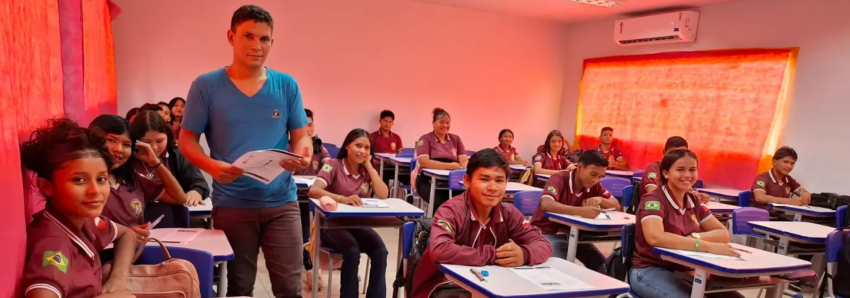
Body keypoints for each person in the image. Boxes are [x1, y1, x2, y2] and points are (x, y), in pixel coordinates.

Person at [179, 5, 313, 297]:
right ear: (231, 36)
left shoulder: (286, 85)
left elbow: (301, 135)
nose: (256, 45)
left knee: (290, 288)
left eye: (264, 39)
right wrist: (212, 167)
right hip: (233, 204)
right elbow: (186, 141)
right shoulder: (206, 86)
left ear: (272, 42)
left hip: (282, 202)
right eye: (248, 36)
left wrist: (303, 155)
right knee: (239, 287)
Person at [411, 149, 553, 298]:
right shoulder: (450, 211)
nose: (492, 188)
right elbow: (440, 250)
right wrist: (493, 255)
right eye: (484, 179)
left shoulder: (509, 212)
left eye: (499, 181)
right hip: (443, 286)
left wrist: (524, 254)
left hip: (489, 284)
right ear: (467, 181)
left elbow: (542, 243)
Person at [20, 118, 137, 298]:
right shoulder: (53, 244)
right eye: (79, 180)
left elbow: (127, 234)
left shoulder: (87, 221)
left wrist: (118, 279)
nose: (95, 190)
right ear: (46, 187)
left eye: (101, 179)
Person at [630, 149, 742, 298]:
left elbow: (722, 233)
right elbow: (655, 237)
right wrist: (707, 245)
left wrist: (694, 237)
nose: (687, 175)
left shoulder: (693, 200)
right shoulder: (653, 199)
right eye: (680, 170)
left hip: (684, 269)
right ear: (665, 173)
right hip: (650, 269)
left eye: (692, 170)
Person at [307, 129, 389, 298]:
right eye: (358, 146)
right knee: (352, 251)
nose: (363, 151)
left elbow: (383, 194)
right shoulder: (334, 165)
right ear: (347, 147)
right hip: (330, 224)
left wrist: (369, 165)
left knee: (381, 251)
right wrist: (341, 199)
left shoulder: (367, 171)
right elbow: (314, 190)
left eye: (367, 148)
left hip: (358, 225)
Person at [88, 115, 187, 240]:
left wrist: (155, 162)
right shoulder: (85, 183)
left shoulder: (133, 179)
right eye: (111, 140)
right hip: (102, 255)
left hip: (137, 254)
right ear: (92, 140)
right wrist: (124, 234)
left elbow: (179, 198)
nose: (118, 149)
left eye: (127, 144)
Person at [529, 150, 617, 272]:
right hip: (547, 232)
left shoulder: (594, 185)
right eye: (593, 174)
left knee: (605, 268)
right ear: (580, 167)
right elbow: (546, 204)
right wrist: (581, 211)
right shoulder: (558, 178)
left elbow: (616, 205)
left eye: (600, 176)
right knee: (558, 270)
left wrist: (600, 199)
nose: (595, 180)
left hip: (575, 235)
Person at [130, 111, 208, 227]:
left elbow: (199, 181)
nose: (154, 147)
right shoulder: (129, 159)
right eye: (146, 142)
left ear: (167, 135)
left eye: (160, 141)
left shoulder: (175, 154)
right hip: (137, 220)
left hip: (174, 218)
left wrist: (196, 191)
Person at [414, 108, 467, 211]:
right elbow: (424, 162)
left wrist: (466, 169)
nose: (445, 125)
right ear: (433, 123)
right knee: (441, 206)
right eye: (441, 122)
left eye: (447, 122)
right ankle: (436, 225)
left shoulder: (456, 139)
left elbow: (463, 160)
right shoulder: (424, 139)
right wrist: (450, 166)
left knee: (463, 202)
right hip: (427, 181)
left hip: (451, 181)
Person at [639, 136, 709, 204]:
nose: (678, 158)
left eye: (692, 170)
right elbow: (652, 193)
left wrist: (699, 196)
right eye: (673, 154)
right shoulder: (654, 168)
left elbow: (688, 192)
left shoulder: (684, 174)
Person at [295, 109, 330, 176]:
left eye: (310, 125)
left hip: (314, 185)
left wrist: (325, 174)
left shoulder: (318, 145)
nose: (307, 129)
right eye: (303, 125)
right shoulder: (288, 146)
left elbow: (329, 164)